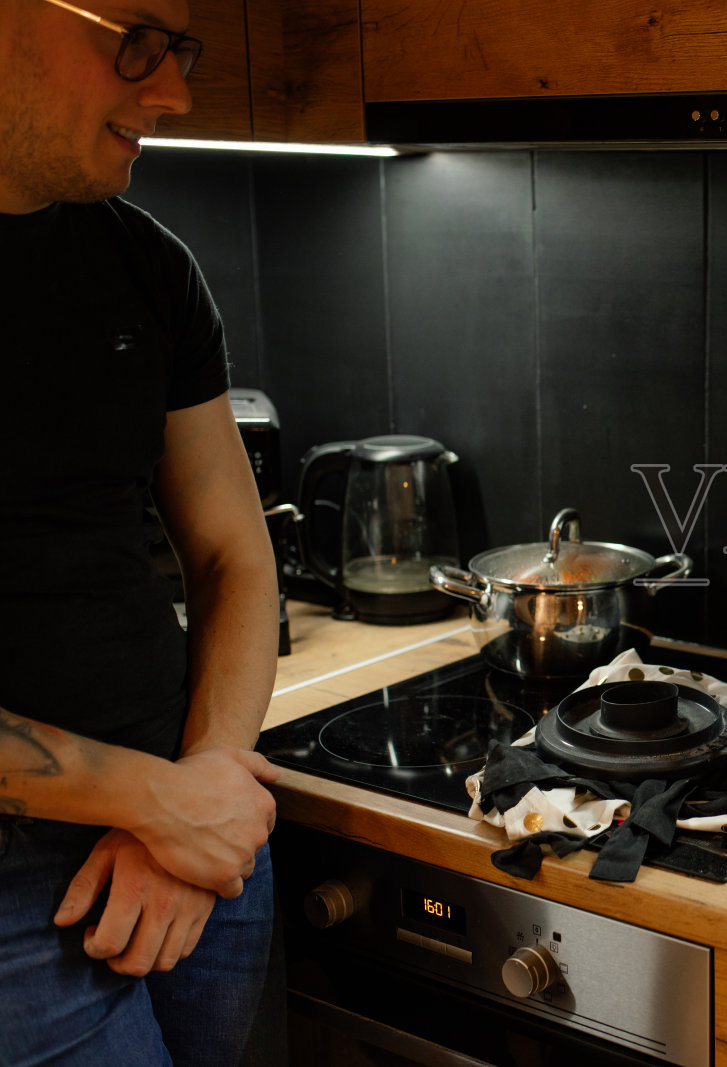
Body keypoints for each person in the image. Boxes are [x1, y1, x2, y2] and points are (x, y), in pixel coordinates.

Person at [0, 0, 283, 1062]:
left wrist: (201, 791)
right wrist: (160, 800)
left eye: (181, 49)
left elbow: (232, 554)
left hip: (199, 827)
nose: (172, 92)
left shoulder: (145, 263)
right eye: (134, 41)